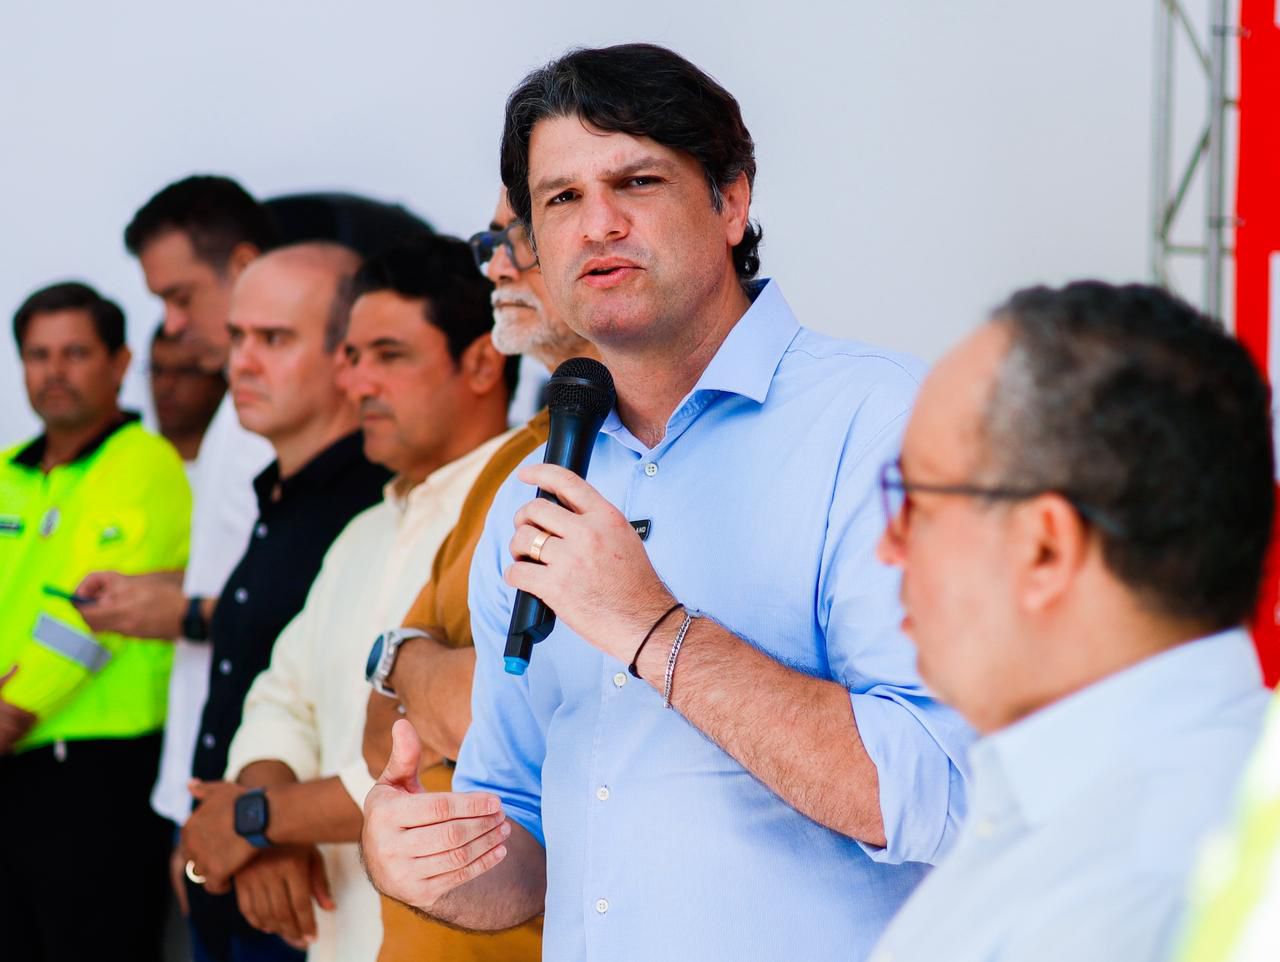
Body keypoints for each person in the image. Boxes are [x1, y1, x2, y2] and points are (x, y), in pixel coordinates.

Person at [362, 44, 971, 962]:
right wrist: (427, 860)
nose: (596, 224)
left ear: (732, 201)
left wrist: (654, 630)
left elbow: (939, 791)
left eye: (636, 181)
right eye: (560, 199)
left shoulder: (887, 425)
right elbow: (522, 831)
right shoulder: (539, 492)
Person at [867, 281, 1272, 962]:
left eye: (919, 502)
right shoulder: (1087, 818)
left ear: (1045, 547)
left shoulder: (1137, 886)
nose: (889, 546)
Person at [180, 235, 515, 962]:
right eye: (353, 357)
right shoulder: (366, 529)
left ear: (482, 362)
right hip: (330, 931)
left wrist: (260, 817)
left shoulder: (519, 512)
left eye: (388, 356)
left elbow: (464, 747)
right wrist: (266, 829)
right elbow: (279, 695)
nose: (357, 382)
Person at [359, 189, 595, 962]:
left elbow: (470, 710)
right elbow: (380, 725)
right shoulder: (518, 462)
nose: (496, 263)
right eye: (491, 238)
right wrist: (409, 664)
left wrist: (406, 661)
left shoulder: (649, 455)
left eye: (520, 233)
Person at [169, 242, 389, 962]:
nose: (242, 363)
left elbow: (389, 730)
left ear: (348, 357)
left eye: (274, 339)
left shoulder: (375, 509)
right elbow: (269, 694)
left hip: (317, 899)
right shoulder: (278, 495)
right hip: (234, 870)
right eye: (236, 337)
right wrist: (208, 832)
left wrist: (263, 830)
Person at [81, 176, 276, 861]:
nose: (169, 322)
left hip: (251, 802)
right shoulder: (234, 410)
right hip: (206, 791)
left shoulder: (274, 417)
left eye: (180, 296)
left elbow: (294, 607)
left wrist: (178, 613)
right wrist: (162, 590)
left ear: (245, 266)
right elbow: (238, 575)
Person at [0, 282, 191, 961]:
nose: (53, 370)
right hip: (16, 769)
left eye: (75, 352)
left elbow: (89, 617)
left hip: (96, 773)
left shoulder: (144, 463)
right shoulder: (8, 474)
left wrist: (12, 711)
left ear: (118, 362)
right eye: (38, 354)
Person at [149, 321, 226, 463]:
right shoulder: (125, 464)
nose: (166, 385)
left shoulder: (251, 466)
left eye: (185, 372)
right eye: (157, 370)